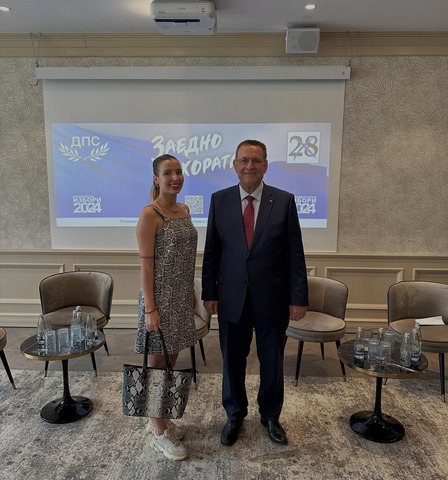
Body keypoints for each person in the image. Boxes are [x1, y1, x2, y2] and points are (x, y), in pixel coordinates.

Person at [202, 139, 308, 447]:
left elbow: (295, 254)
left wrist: (298, 297)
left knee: (272, 362)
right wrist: (209, 292)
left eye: (256, 160)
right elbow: (212, 252)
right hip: (231, 297)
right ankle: (234, 414)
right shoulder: (219, 200)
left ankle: (271, 416)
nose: (250, 166)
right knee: (232, 361)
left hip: (272, 299)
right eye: (244, 160)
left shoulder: (284, 201)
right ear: (235, 165)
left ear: (265, 166)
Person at [134, 154, 198, 461]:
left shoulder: (184, 210)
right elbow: (146, 266)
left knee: (170, 360)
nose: (175, 177)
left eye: (179, 172)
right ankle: (158, 432)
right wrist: (150, 309)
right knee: (156, 364)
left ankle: (157, 416)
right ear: (156, 179)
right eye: (168, 173)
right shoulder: (151, 214)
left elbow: (184, 258)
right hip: (158, 300)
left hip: (181, 298)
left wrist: (190, 293)